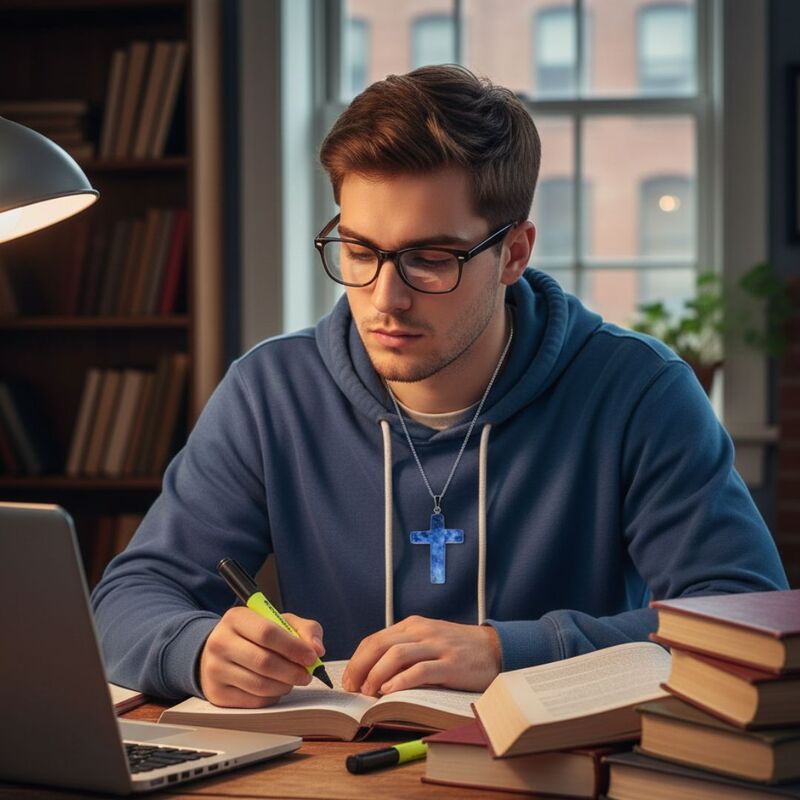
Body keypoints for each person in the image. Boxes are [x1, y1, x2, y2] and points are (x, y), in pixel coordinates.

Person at [92, 65, 788, 707]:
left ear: (513, 252)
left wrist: (510, 650)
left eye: (429, 259)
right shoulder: (270, 391)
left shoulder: (640, 390)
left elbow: (745, 617)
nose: (384, 298)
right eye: (360, 251)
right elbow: (127, 600)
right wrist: (198, 649)